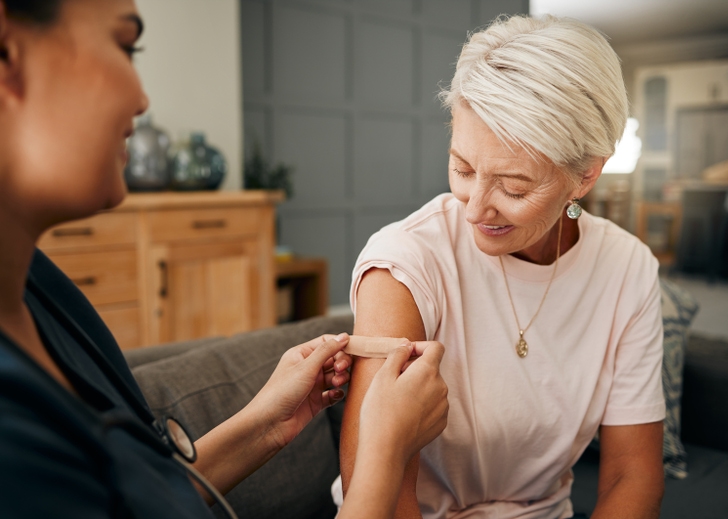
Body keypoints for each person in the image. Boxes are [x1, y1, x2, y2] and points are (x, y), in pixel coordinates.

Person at [0, 1, 449, 518]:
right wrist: (383, 453)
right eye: (126, 46)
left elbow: (132, 503)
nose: (142, 98)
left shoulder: (43, 296)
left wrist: (262, 426)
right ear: (7, 52)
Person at [339, 15, 665, 519]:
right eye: (463, 169)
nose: (474, 209)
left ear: (585, 175)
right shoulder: (404, 264)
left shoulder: (628, 269)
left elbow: (631, 472)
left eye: (514, 188)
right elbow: (377, 491)